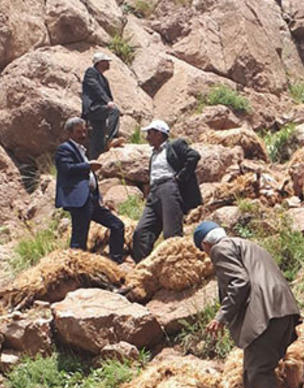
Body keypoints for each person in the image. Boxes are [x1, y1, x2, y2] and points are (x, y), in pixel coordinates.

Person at [194, 221, 300, 388]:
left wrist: (221, 317)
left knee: (257, 370)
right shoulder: (247, 245)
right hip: (283, 309)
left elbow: (239, 282)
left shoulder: (221, 249)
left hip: (265, 312)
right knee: (254, 368)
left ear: (205, 244)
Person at [54, 117, 125, 262]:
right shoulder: (64, 149)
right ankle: (75, 268)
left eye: (84, 131)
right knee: (79, 237)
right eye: (79, 132)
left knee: (117, 225)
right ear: (69, 133)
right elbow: (66, 169)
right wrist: (88, 166)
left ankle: (115, 261)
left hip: (91, 199)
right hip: (79, 200)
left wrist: (98, 197)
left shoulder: (81, 151)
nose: (83, 135)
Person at [132, 120, 202, 262]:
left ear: (159, 134)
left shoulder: (175, 145)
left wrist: (181, 177)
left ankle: (177, 267)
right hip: (154, 193)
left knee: (171, 233)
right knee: (141, 232)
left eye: (150, 133)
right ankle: (144, 267)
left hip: (169, 188)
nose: (147, 137)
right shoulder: (154, 154)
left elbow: (193, 156)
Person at [81, 52, 120, 160]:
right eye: (106, 61)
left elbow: (107, 94)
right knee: (114, 111)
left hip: (99, 109)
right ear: (100, 62)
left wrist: (109, 101)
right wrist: (108, 102)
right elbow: (95, 87)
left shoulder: (104, 79)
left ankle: (95, 161)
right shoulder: (91, 72)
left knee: (97, 137)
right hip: (93, 108)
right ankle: (111, 139)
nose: (108, 63)